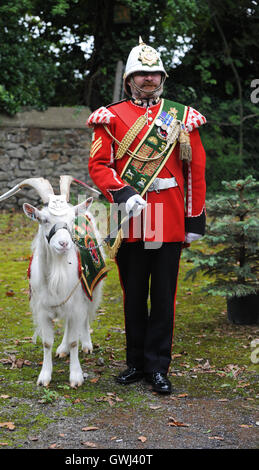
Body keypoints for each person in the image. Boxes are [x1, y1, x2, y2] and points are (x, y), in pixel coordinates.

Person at [87, 37, 206, 394]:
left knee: (164, 295)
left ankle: (158, 366)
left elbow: (194, 172)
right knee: (134, 294)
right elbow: (99, 165)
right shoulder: (111, 117)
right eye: (141, 74)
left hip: (168, 218)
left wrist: (193, 219)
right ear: (129, 80)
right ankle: (136, 363)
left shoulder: (181, 117)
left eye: (154, 73)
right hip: (131, 220)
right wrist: (123, 192)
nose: (149, 79)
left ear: (163, 77)